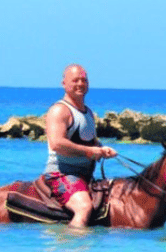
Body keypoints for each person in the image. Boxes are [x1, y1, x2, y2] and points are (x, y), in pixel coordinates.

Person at [43, 64, 117, 228]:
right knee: (84, 208)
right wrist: (91, 151)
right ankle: (73, 247)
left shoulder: (88, 112)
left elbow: (89, 142)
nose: (80, 84)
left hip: (86, 175)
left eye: (84, 80)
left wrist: (102, 149)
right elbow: (57, 144)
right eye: (75, 80)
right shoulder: (59, 110)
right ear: (64, 84)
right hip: (61, 174)